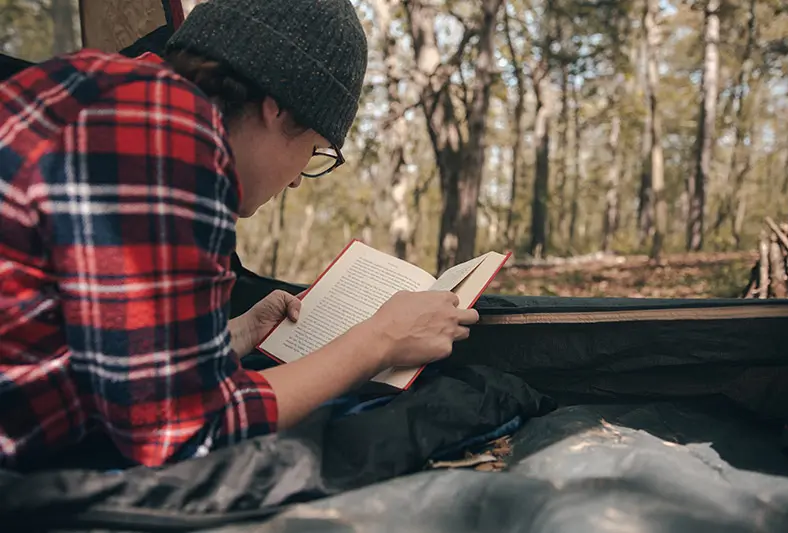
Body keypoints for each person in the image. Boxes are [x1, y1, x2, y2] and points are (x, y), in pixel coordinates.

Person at [0, 0, 478, 469]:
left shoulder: (96, 85)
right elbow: (189, 430)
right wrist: (380, 340)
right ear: (277, 108)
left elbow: (104, 352)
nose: (297, 180)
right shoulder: (173, 137)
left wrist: (236, 333)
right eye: (315, 150)